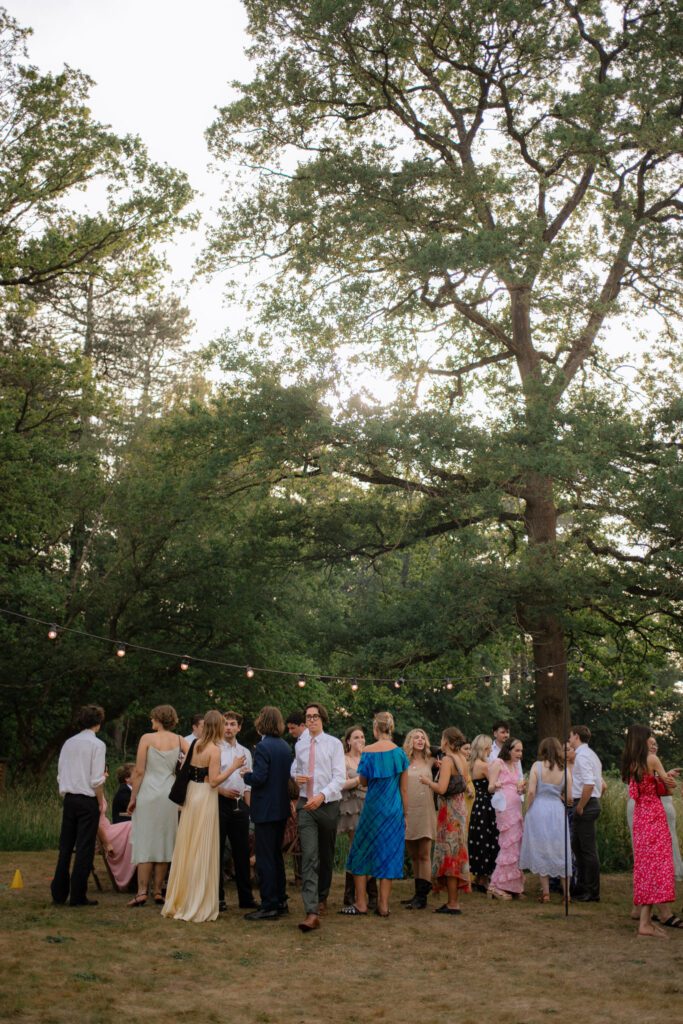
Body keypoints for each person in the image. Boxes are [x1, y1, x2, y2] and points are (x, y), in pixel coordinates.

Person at [162, 710, 242, 922]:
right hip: (206, 796)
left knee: (188, 844)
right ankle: (197, 900)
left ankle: (182, 897)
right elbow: (215, 781)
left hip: (191, 793)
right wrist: (233, 767)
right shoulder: (214, 750)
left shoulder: (196, 745)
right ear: (217, 727)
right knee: (202, 845)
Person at [341, 711, 409, 918]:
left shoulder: (368, 751)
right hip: (393, 808)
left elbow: (362, 781)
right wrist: (405, 814)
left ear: (376, 729)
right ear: (391, 728)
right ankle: (383, 905)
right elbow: (404, 789)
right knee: (388, 852)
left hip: (372, 808)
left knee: (361, 851)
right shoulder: (400, 753)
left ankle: (361, 903)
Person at [621, 723, 678, 938]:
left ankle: (645, 920)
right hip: (654, 815)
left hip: (640, 816)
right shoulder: (652, 760)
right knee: (658, 866)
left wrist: (658, 777)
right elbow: (670, 786)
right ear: (643, 739)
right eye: (649, 737)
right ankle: (645, 925)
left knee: (646, 867)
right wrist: (666, 776)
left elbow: (640, 787)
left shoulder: (630, 763)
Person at [127, 704, 188, 907]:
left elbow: (139, 771)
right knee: (164, 840)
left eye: (153, 718)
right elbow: (193, 760)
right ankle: (158, 891)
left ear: (159, 719)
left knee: (145, 839)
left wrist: (133, 797)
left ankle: (142, 891)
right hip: (168, 794)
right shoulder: (180, 740)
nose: (151, 721)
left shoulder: (147, 738)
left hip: (148, 792)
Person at [292, 702, 345, 931]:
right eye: (308, 716)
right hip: (306, 805)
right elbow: (295, 768)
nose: (311, 720)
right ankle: (311, 912)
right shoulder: (300, 744)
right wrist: (296, 777)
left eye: (315, 716)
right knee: (309, 856)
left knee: (325, 853)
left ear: (322, 719)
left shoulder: (333, 744)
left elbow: (339, 777)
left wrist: (322, 796)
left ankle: (322, 896)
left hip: (327, 804)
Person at [51, 704, 107, 907]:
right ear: (98, 723)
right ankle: (77, 895)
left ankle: (58, 892)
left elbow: (60, 772)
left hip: (69, 798)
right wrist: (101, 802)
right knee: (84, 848)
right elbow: (96, 779)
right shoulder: (97, 745)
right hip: (87, 799)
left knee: (65, 846)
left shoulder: (68, 743)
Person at [242, 705, 293, 921]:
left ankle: (269, 904)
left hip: (265, 810)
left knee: (264, 858)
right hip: (280, 809)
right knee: (275, 856)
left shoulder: (263, 747)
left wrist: (246, 775)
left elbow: (260, 778)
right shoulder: (284, 746)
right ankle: (280, 900)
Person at [419, 727, 471, 914]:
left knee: (450, 854)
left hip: (449, 812)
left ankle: (452, 903)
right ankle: (452, 900)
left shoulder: (448, 759)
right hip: (460, 810)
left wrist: (427, 781)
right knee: (456, 853)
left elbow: (441, 789)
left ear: (447, 741)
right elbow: (462, 783)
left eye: (442, 739)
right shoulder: (462, 759)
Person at [519, 737, 572, 902]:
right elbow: (570, 798)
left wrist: (528, 809)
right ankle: (566, 895)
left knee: (542, 849)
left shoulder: (537, 766)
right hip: (557, 810)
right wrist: (559, 797)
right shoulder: (565, 770)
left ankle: (546, 893)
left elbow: (532, 792)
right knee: (560, 850)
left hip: (539, 809)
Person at [217, 710, 256, 912]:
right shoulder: (215, 749)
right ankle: (218, 898)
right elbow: (210, 780)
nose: (229, 727)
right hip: (219, 802)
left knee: (241, 852)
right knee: (218, 851)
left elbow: (248, 784)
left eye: (233, 724)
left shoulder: (246, 752)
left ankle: (246, 898)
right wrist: (222, 791)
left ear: (239, 727)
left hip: (241, 805)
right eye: (226, 724)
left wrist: (250, 809)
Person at [401, 727, 436, 910]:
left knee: (424, 854)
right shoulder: (403, 761)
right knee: (414, 855)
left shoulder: (431, 760)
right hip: (408, 812)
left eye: (423, 737)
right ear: (410, 741)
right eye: (416, 737)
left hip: (426, 811)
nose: (420, 740)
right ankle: (417, 893)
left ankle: (423, 897)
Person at [487, 737, 526, 900]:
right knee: (508, 844)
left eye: (521, 751)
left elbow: (517, 787)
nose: (520, 754)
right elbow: (489, 787)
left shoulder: (516, 766)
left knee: (517, 845)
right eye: (517, 750)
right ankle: (495, 885)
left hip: (516, 806)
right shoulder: (498, 763)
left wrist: (521, 790)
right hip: (503, 808)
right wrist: (496, 785)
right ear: (508, 750)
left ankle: (512, 885)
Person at [568, 725, 603, 902]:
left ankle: (592, 891)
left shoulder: (582, 757)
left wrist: (581, 805)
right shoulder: (592, 755)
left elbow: (589, 784)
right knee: (579, 848)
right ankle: (581, 886)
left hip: (585, 804)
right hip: (588, 803)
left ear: (576, 736)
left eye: (570, 736)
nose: (569, 739)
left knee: (587, 850)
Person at [339, 725, 368, 907]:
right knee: (356, 847)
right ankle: (351, 894)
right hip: (352, 806)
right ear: (348, 741)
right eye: (356, 737)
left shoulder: (368, 758)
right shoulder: (343, 759)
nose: (360, 740)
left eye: (363, 737)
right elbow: (341, 783)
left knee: (368, 847)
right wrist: (359, 780)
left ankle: (369, 892)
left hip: (369, 805)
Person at [467, 734, 499, 893]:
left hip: (475, 804)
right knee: (488, 837)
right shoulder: (486, 766)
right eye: (490, 747)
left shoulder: (471, 764)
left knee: (477, 838)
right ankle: (485, 878)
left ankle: (478, 876)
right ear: (485, 748)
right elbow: (493, 785)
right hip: (487, 804)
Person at [98, 787, 135, 892]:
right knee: (131, 828)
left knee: (133, 826)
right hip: (102, 833)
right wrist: (106, 843)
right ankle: (130, 876)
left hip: (108, 826)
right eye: (104, 772)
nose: (106, 774)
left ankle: (135, 874)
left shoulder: (99, 790)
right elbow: (95, 822)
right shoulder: (92, 792)